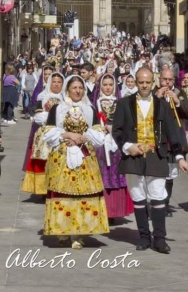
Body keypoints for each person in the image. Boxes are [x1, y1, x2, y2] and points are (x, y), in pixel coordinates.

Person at [112, 67, 188, 253]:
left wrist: (179, 157)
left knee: (158, 196)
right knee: (138, 196)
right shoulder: (124, 103)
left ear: (153, 82)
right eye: (141, 82)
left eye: (148, 82)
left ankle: (160, 239)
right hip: (133, 156)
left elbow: (172, 131)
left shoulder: (162, 104)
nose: (145, 85)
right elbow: (117, 131)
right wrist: (127, 147)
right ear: (136, 82)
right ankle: (144, 237)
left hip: (156, 155)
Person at [43, 75, 109, 249]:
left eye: (81, 88)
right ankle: (63, 232)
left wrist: (83, 138)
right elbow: (48, 132)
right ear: (68, 90)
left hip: (85, 155)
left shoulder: (90, 109)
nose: (78, 91)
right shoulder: (57, 109)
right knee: (63, 194)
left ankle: (78, 234)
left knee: (82, 195)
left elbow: (98, 134)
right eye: (74, 88)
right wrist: (67, 135)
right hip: (62, 156)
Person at [93, 73, 134, 224]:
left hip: (115, 145)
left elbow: (127, 123)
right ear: (100, 86)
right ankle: (100, 209)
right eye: (105, 85)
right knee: (101, 176)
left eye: (111, 85)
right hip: (99, 145)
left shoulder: (120, 102)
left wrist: (115, 129)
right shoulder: (94, 102)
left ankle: (113, 210)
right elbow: (90, 122)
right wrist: (99, 128)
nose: (108, 88)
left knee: (116, 175)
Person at [155, 68, 188, 217]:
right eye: (164, 79)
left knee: (170, 175)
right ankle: (158, 203)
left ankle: (166, 203)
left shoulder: (179, 93)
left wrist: (177, 103)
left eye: (170, 80)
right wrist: (157, 99)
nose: (167, 83)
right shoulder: (153, 94)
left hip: (174, 140)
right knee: (158, 174)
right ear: (160, 80)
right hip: (159, 139)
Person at [21, 72, 64, 196]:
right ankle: (43, 189)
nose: (56, 84)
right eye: (54, 81)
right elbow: (38, 116)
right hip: (45, 132)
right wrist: (52, 118)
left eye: (59, 82)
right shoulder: (42, 96)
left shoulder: (65, 97)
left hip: (61, 133)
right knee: (44, 161)